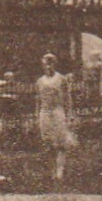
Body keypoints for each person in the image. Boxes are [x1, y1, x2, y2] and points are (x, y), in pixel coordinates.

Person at [35, 53, 78, 181]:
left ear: (55, 64)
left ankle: (60, 171)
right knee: (48, 144)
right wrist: (37, 115)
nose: (48, 66)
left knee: (60, 144)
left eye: (51, 63)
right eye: (45, 63)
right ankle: (52, 171)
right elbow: (38, 100)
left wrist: (69, 115)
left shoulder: (61, 79)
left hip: (58, 112)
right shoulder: (39, 81)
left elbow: (67, 99)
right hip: (45, 113)